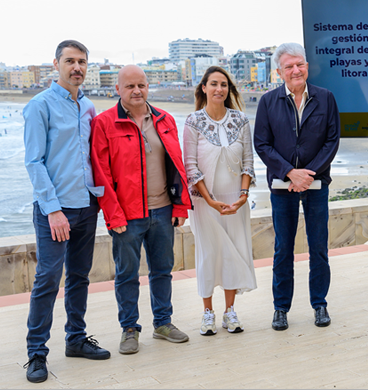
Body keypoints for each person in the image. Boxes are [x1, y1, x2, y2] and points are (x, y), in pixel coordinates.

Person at [22, 40, 110, 383]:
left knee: (79, 277)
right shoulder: (39, 106)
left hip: (87, 206)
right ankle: (36, 354)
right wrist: (53, 210)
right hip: (54, 211)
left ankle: (75, 339)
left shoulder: (87, 107)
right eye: (70, 61)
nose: (77, 67)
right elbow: (34, 162)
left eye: (82, 62)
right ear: (55, 64)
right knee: (47, 280)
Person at [91, 65, 192, 354]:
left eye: (142, 85)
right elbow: (101, 175)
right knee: (127, 274)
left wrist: (180, 205)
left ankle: (163, 323)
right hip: (127, 217)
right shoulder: (105, 123)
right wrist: (113, 214)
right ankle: (130, 329)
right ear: (118, 90)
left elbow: (177, 164)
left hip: (163, 210)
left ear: (148, 86)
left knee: (163, 270)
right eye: (130, 86)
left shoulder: (165, 119)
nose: (137, 91)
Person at [254, 42, 340, 331]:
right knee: (283, 249)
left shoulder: (326, 98)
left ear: (307, 66)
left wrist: (308, 175)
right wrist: (291, 173)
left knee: (318, 247)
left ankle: (320, 304)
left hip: (317, 185)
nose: (295, 70)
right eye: (289, 66)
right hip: (281, 186)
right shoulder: (268, 102)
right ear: (279, 72)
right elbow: (262, 144)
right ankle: (281, 308)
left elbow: (331, 141)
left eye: (299, 64)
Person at [183, 66, 257, 336]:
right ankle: (207, 313)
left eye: (224, 84)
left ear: (229, 89)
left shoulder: (240, 120)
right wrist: (211, 201)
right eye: (213, 84)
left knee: (233, 253)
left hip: (236, 203)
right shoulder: (193, 122)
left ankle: (229, 312)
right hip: (205, 204)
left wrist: (242, 197)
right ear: (204, 87)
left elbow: (249, 162)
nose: (219, 89)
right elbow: (190, 167)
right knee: (208, 255)